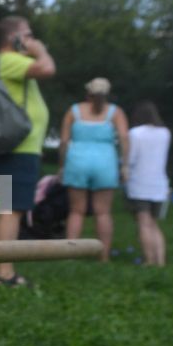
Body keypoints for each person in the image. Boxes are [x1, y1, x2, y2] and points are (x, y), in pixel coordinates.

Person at [0, 15, 55, 286]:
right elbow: (47, 68)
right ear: (13, 38)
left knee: (7, 206)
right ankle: (4, 273)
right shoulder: (9, 60)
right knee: (10, 209)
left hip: (17, 147)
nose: (32, 40)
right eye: (27, 35)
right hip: (20, 148)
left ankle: (3, 268)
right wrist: (40, 51)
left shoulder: (3, 62)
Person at [57, 78, 125, 262]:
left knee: (76, 211)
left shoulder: (74, 111)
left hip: (77, 161)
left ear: (88, 93)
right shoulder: (115, 112)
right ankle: (103, 257)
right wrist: (124, 165)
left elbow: (64, 142)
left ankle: (69, 255)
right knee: (103, 212)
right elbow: (124, 139)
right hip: (105, 162)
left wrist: (62, 166)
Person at [124, 100, 171, 267]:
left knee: (144, 223)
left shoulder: (135, 133)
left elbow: (131, 158)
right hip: (159, 183)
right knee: (154, 224)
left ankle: (149, 259)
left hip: (140, 182)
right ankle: (161, 260)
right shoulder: (165, 133)